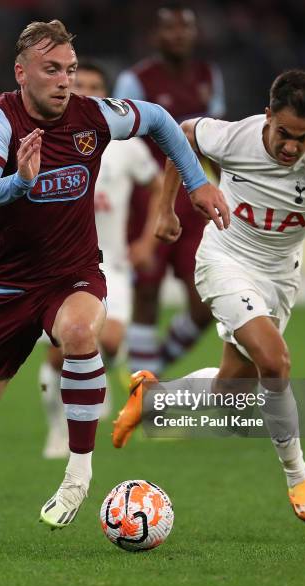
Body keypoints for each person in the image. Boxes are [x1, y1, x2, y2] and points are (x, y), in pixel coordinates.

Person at [0, 19, 228, 547]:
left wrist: (196, 182)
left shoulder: (94, 116)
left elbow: (160, 119)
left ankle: (78, 476)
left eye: (72, 70)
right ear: (22, 73)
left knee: (84, 333)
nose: (65, 81)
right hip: (6, 286)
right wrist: (21, 181)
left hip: (73, 275)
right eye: (52, 70)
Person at [112, 69, 305, 523]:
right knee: (275, 363)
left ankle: (153, 399)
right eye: (284, 133)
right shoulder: (234, 137)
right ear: (267, 116)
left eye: (304, 135)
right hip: (225, 258)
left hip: (279, 278)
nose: (292, 146)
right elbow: (182, 135)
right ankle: (299, 479)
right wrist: (166, 211)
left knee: (230, 392)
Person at [39, 61, 163, 459]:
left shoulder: (126, 144)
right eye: (81, 85)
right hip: (59, 265)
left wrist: (147, 239)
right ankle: (57, 429)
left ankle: (99, 378)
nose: (88, 92)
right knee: (59, 354)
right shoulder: (47, 139)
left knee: (107, 339)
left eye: (96, 86)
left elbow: (159, 185)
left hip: (111, 264)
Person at [113, 3, 226, 376]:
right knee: (146, 293)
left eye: (185, 28)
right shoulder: (136, 81)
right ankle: (145, 400)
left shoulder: (209, 75)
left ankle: (151, 368)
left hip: (196, 201)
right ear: (156, 35)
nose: (178, 35)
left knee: (205, 302)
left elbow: (218, 142)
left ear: (195, 33)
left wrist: (226, 189)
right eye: (170, 29)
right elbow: (119, 143)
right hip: (149, 198)